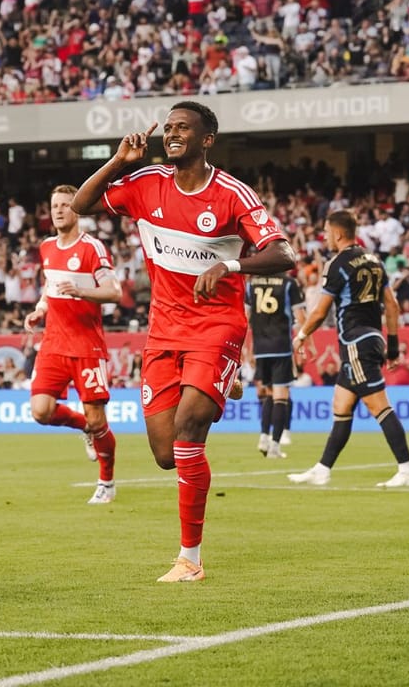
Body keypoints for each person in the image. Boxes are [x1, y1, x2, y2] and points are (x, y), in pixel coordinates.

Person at [72, 100, 294, 583]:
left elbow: (284, 253)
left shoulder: (233, 194)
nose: (171, 134)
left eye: (183, 129)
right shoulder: (145, 182)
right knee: (165, 453)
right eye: (168, 128)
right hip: (163, 333)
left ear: (206, 139)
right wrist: (118, 161)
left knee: (191, 433)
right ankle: (224, 383)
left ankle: (189, 558)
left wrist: (230, 264)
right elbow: (80, 206)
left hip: (217, 328)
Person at [288, 210, 409, 489]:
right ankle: (322, 469)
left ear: (338, 233)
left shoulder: (337, 264)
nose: (325, 236)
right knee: (342, 404)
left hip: (354, 343)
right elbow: (393, 306)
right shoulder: (375, 260)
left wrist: (301, 335)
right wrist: (394, 348)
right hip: (373, 338)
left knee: (380, 406)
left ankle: (408, 468)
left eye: (326, 231)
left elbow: (320, 311)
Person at [24, 184, 121, 504]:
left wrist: (82, 292)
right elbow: (50, 288)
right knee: (40, 411)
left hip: (86, 347)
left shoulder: (93, 248)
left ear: (77, 209)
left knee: (99, 419)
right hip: (53, 343)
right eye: (55, 205)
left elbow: (114, 292)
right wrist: (40, 309)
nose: (59, 210)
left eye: (66, 204)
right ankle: (84, 429)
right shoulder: (47, 247)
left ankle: (106, 482)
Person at [246, 272, 305, 459]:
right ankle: (275, 446)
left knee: (268, 394)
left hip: (260, 347)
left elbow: (245, 317)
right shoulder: (288, 283)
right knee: (281, 397)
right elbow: (300, 316)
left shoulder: (252, 284)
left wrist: (247, 347)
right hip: (281, 347)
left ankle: (263, 437)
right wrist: (306, 342)